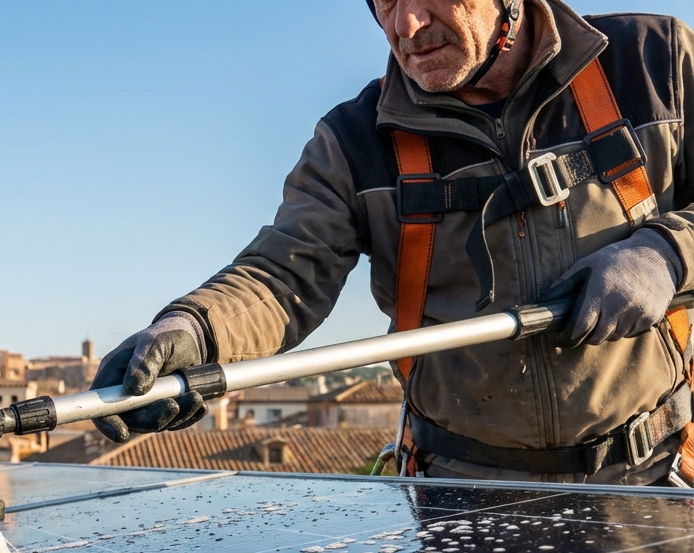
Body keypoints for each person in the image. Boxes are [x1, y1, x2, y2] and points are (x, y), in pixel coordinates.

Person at [91, 0, 694, 485]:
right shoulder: (357, 139)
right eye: (383, 1)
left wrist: (667, 253)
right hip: (461, 494)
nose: (405, 24)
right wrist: (196, 331)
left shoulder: (653, 63)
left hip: (651, 471)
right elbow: (284, 274)